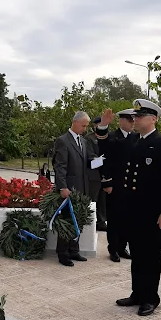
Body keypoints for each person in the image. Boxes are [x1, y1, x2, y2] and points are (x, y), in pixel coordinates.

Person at [95, 99, 161, 317]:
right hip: (133, 210)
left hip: (153, 211)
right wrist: (103, 127)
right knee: (137, 253)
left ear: (153, 119)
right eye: (135, 117)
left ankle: (150, 298)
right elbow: (107, 149)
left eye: (140, 117)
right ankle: (137, 293)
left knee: (151, 255)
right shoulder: (132, 140)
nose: (136, 120)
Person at [52, 111, 95, 267]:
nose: (85, 129)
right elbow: (60, 167)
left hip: (82, 189)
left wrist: (99, 162)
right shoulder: (63, 141)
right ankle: (62, 253)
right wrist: (62, 186)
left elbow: (87, 163)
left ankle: (74, 250)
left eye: (86, 126)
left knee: (78, 220)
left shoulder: (83, 141)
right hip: (69, 189)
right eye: (83, 125)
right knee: (67, 221)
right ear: (75, 122)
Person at [104, 109, 135, 262]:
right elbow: (105, 161)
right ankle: (113, 249)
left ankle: (122, 247)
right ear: (121, 121)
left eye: (134, 120)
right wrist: (107, 182)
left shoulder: (136, 138)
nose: (133, 124)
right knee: (114, 218)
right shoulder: (111, 137)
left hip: (130, 186)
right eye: (130, 120)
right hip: (115, 185)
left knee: (127, 219)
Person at [84, 116, 108, 231]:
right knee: (93, 199)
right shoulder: (89, 138)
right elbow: (89, 156)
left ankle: (102, 221)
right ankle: (91, 221)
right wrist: (103, 160)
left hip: (105, 175)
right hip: (94, 174)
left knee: (103, 200)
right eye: (97, 124)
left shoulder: (108, 136)